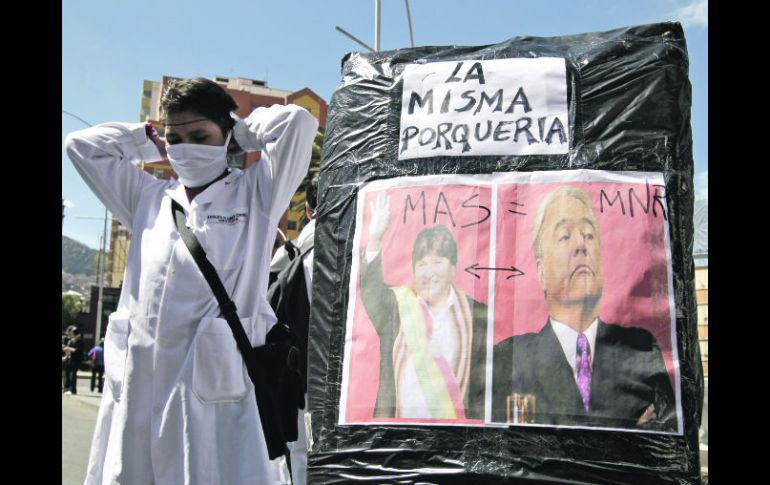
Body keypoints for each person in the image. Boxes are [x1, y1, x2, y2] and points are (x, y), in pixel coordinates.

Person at [65, 77, 318, 484]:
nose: (185, 149)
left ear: (225, 136)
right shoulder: (148, 197)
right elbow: (82, 146)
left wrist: (241, 130)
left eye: (199, 135)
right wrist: (146, 140)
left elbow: (299, 124)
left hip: (214, 381)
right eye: (175, 138)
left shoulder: (256, 193)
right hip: (144, 379)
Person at [491, 186, 676, 431]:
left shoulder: (640, 347)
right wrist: (627, 435)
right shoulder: (508, 358)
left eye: (589, 235)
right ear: (541, 271)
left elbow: (667, 442)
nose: (581, 245)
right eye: (565, 236)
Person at [359, 192, 487, 420]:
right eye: (422, 264)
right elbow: (371, 290)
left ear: (453, 268)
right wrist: (375, 238)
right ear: (414, 270)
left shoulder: (476, 314)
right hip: (398, 435)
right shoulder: (397, 307)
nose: (429, 273)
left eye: (437, 263)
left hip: (454, 438)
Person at [268, 172, 317, 484]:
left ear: (309, 211)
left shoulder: (287, 257)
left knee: (298, 455)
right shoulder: (361, 249)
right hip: (345, 388)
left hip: (295, 383)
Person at [62, 325, 84, 395]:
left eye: (71, 332)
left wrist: (69, 348)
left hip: (76, 360)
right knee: (67, 373)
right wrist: (66, 356)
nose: (70, 333)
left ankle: (73, 390)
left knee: (73, 374)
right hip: (70, 360)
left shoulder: (79, 340)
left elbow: (78, 350)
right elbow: (68, 350)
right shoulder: (71, 340)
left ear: (74, 333)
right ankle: (66, 388)